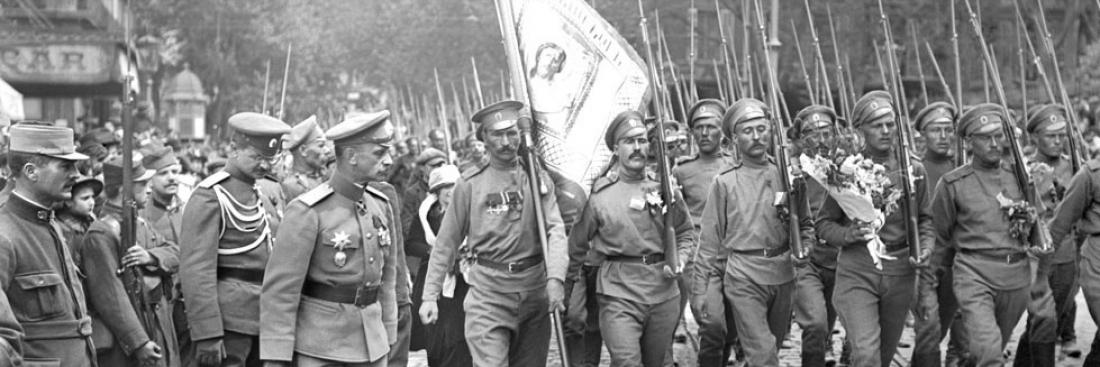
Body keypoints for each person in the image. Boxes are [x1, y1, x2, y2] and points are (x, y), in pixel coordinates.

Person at [418, 100, 568, 367]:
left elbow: (555, 229)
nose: (506, 141)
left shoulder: (536, 179)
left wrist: (555, 278)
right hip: (488, 296)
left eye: (512, 133)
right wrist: (430, 295)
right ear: (484, 139)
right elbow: (446, 242)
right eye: (497, 134)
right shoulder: (470, 184)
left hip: (534, 294)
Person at [260, 110, 399, 366]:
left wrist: (389, 332)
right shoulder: (308, 211)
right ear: (351, 156)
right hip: (322, 347)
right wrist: (276, 356)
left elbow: (388, 280)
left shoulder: (381, 205)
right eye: (379, 153)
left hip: (373, 344)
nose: (389, 161)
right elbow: (281, 291)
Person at [567, 110, 693, 366]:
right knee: (626, 361)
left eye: (642, 140)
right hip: (618, 291)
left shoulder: (665, 189)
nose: (637, 148)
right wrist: (564, 287)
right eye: (628, 141)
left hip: (663, 289)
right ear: (616, 149)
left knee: (659, 361)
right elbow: (577, 246)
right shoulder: (599, 196)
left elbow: (685, 232)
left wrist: (680, 260)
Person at [816, 91, 934, 367]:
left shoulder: (913, 169)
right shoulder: (846, 170)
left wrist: (925, 247)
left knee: (882, 356)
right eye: (876, 125)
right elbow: (823, 224)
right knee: (867, 354)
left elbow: (926, 219)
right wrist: (848, 235)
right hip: (858, 270)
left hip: (900, 271)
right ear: (860, 130)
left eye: (889, 124)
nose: (885, 131)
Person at [696, 98, 813, 367]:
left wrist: (804, 248)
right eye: (748, 131)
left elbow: (806, 224)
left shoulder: (789, 177)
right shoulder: (724, 182)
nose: (757, 137)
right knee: (763, 353)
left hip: (783, 274)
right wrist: (699, 290)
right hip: (744, 275)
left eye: (761, 129)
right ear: (734, 138)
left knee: (770, 346)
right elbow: (709, 240)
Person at [931, 103, 1040, 366]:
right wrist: (929, 283)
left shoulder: (1021, 177)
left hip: (1016, 277)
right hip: (974, 274)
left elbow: (1039, 224)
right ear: (969, 142)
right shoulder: (952, 184)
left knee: (984, 351)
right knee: (990, 352)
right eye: (985, 137)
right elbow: (940, 237)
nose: (994, 143)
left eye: (998, 136)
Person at [179, 112, 291, 367]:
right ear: (233, 149)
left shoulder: (262, 193)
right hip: (227, 319)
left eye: (270, 159)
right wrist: (207, 331)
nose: (265, 165)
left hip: (263, 316)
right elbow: (196, 270)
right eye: (257, 157)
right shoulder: (210, 196)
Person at [0, 123, 96, 366]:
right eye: (65, 165)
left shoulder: (49, 223)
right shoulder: (5, 235)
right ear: (31, 172)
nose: (76, 174)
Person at [79, 154, 179, 366]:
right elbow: (109, 295)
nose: (150, 189)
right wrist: (138, 342)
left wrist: (150, 257)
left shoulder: (140, 222)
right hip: (127, 341)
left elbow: (174, 252)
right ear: (125, 190)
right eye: (142, 184)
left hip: (156, 323)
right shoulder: (102, 233)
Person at [676, 99, 739, 367]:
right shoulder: (682, 170)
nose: (704, 134)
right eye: (698, 128)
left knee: (730, 331)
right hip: (701, 259)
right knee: (712, 324)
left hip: (737, 258)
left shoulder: (738, 165)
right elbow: (675, 221)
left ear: (722, 131)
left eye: (711, 127)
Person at [1015, 104, 1079, 366]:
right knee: (1044, 318)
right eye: (1050, 135)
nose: (1057, 141)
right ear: (1035, 138)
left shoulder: (1076, 168)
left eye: (1061, 135)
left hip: (1066, 256)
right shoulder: (1024, 170)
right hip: (1035, 258)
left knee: (1053, 318)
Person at [910, 102, 969, 367]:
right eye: (936, 130)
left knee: (944, 326)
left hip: (957, 263)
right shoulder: (914, 172)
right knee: (929, 327)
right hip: (926, 263)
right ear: (922, 134)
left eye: (948, 130)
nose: (944, 137)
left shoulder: (965, 171)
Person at [788, 104, 842, 367]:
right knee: (816, 324)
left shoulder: (849, 169)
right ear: (800, 139)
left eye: (826, 132)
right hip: (807, 259)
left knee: (829, 322)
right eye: (812, 134)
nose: (821, 140)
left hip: (842, 258)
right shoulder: (791, 174)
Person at [409, 164, 472, 367]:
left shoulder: (467, 210)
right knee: (437, 337)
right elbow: (411, 243)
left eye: (455, 188)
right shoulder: (427, 217)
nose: (451, 194)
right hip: (434, 281)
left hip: (463, 280)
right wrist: (435, 252)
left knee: (460, 334)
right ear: (437, 193)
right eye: (447, 190)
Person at [139, 144, 195, 367]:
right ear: (149, 180)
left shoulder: (187, 208)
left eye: (174, 172)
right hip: (159, 302)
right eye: (163, 173)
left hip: (189, 302)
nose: (171, 178)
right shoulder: (141, 215)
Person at [280, 115, 330, 201]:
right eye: (321, 146)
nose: (327, 150)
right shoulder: (291, 187)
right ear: (303, 150)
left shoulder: (320, 179)